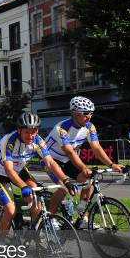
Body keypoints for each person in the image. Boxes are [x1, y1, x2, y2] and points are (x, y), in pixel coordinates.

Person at [0, 112, 78, 238]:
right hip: (0, 172)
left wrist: (66, 180)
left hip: (19, 170)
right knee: (10, 210)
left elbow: (50, 162)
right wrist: (23, 187)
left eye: (34, 131)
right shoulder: (9, 141)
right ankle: (0, 242)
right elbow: (8, 170)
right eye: (27, 132)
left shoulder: (38, 141)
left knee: (36, 197)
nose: (31, 136)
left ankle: (35, 231)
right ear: (19, 130)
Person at [45, 96, 124, 227]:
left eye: (91, 113)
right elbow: (70, 152)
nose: (89, 117)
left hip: (67, 160)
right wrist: (83, 168)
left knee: (89, 181)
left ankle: (82, 216)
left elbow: (97, 148)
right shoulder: (61, 129)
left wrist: (112, 164)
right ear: (75, 114)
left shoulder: (90, 127)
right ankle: (48, 219)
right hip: (51, 160)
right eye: (85, 114)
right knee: (64, 187)